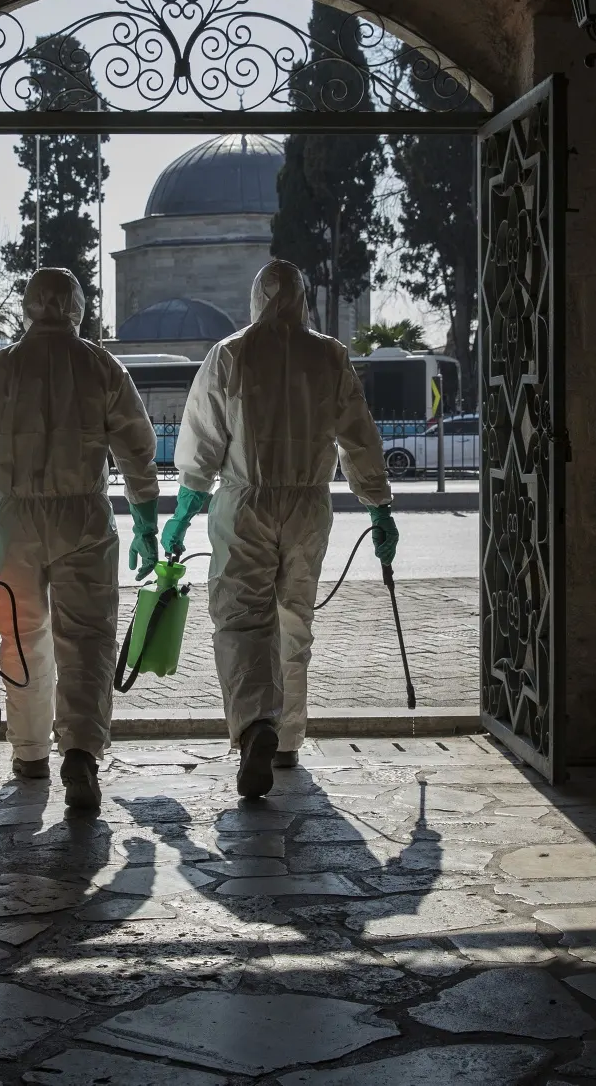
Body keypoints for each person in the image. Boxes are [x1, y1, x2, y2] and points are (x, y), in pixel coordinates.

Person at [162, 260, 397, 798]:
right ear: (302, 298)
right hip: (309, 506)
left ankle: (256, 727)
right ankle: (288, 737)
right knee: (295, 618)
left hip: (246, 503)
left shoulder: (230, 354)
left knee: (244, 622)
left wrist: (183, 512)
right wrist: (379, 507)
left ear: (256, 298)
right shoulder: (329, 356)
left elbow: (203, 443)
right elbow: (359, 439)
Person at [0, 267, 161, 811]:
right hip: (84, 518)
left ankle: (31, 752)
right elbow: (137, 449)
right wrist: (148, 523)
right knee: (87, 638)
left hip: (14, 521)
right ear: (77, 307)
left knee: (20, 634)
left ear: (28, 307)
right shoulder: (100, 366)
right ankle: (81, 752)